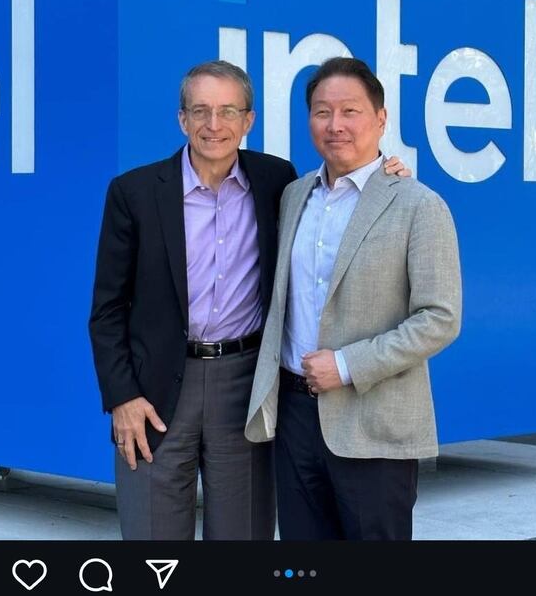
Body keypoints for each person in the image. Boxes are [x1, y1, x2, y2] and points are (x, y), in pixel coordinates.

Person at [89, 59, 409, 540]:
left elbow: (342, 192)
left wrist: (385, 173)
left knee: (244, 537)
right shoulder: (133, 193)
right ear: (182, 119)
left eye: (228, 111)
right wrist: (122, 398)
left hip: (246, 385)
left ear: (248, 120)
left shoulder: (277, 181)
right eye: (200, 111)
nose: (213, 124)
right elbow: (107, 310)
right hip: (154, 392)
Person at [245, 57, 462, 540]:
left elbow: (440, 318)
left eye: (350, 111)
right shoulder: (293, 195)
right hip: (294, 418)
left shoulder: (419, 205)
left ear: (381, 119)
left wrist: (346, 365)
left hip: (374, 421)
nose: (335, 124)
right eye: (322, 112)